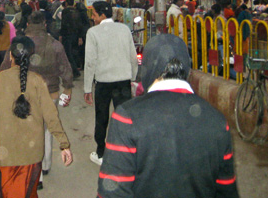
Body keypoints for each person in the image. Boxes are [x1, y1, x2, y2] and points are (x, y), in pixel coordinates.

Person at [97, 34, 239, 198]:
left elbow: (111, 192)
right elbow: (227, 191)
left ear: (147, 70)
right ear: (187, 68)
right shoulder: (218, 122)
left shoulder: (127, 118)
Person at [0, 36, 73, 197]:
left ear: (10, 56)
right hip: (32, 153)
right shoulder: (37, 81)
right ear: (30, 57)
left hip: (3, 153)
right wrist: (64, 144)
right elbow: (51, 116)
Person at [0, 12, 73, 185]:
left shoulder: (19, 44)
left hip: (24, 93)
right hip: (51, 92)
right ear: (45, 24)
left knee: (30, 132)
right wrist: (68, 88)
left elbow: (5, 67)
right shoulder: (54, 44)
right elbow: (65, 68)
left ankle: (36, 175)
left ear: (27, 24)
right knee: (47, 129)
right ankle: (46, 165)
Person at [84, 1, 138, 166]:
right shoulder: (124, 29)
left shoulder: (93, 33)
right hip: (123, 82)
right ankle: (127, 153)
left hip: (103, 83)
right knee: (124, 118)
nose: (92, 18)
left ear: (101, 15)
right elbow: (133, 57)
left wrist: (87, 88)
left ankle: (101, 153)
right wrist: (133, 78)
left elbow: (90, 62)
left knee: (102, 118)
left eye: (94, 14)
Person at [59, 0, 81, 78]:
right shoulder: (77, 11)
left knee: (68, 53)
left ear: (66, 3)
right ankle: (76, 68)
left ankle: (75, 71)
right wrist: (80, 36)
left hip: (67, 35)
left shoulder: (65, 11)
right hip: (75, 34)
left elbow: (64, 23)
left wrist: (61, 34)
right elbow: (79, 24)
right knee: (74, 52)